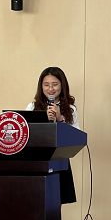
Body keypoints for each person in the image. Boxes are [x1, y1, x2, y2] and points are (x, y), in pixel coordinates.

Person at [26, 67, 79, 204]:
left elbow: (74, 138)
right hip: (37, 160)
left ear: (62, 85)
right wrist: (44, 120)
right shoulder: (32, 107)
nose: (50, 89)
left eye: (54, 84)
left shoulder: (70, 109)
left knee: (55, 202)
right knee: (35, 201)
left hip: (59, 160)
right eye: (46, 85)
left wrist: (60, 118)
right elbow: (27, 134)